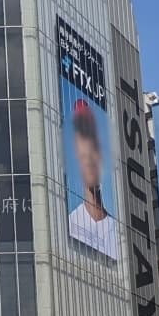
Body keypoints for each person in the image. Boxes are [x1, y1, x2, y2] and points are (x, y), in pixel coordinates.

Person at [66, 98, 118, 255]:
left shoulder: (118, 231)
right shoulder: (70, 224)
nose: (89, 160)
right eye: (84, 156)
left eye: (94, 149)